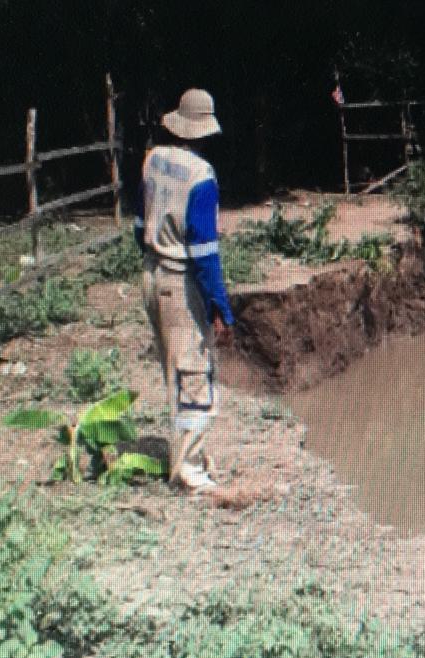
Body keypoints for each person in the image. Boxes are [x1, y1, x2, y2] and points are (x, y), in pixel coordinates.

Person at [135, 88, 236, 492]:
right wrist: (220, 306)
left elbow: (140, 224)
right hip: (180, 281)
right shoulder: (202, 177)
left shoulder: (153, 160)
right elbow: (205, 251)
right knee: (194, 371)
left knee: (173, 369)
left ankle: (186, 454)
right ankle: (190, 471)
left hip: (151, 273)